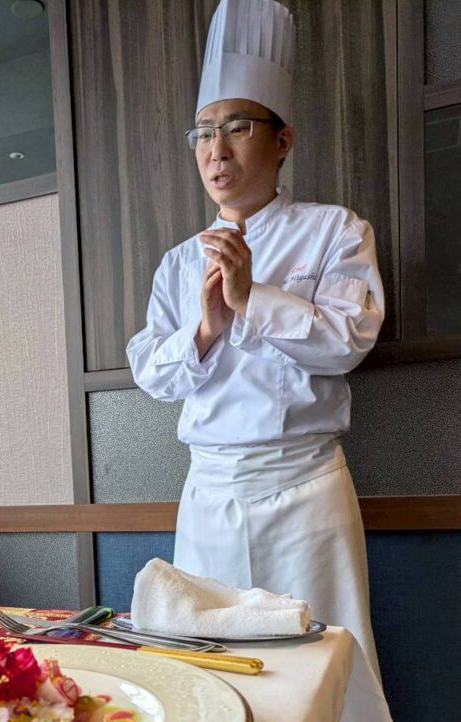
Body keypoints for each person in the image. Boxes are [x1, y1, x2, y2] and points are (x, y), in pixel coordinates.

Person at [127, 0, 384, 672]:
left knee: (325, 664)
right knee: (211, 668)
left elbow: (348, 342)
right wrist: (206, 329)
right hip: (208, 494)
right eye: (203, 133)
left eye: (237, 128)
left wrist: (252, 299)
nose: (216, 150)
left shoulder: (335, 231)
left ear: (282, 140)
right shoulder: (178, 264)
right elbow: (151, 372)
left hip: (304, 489)